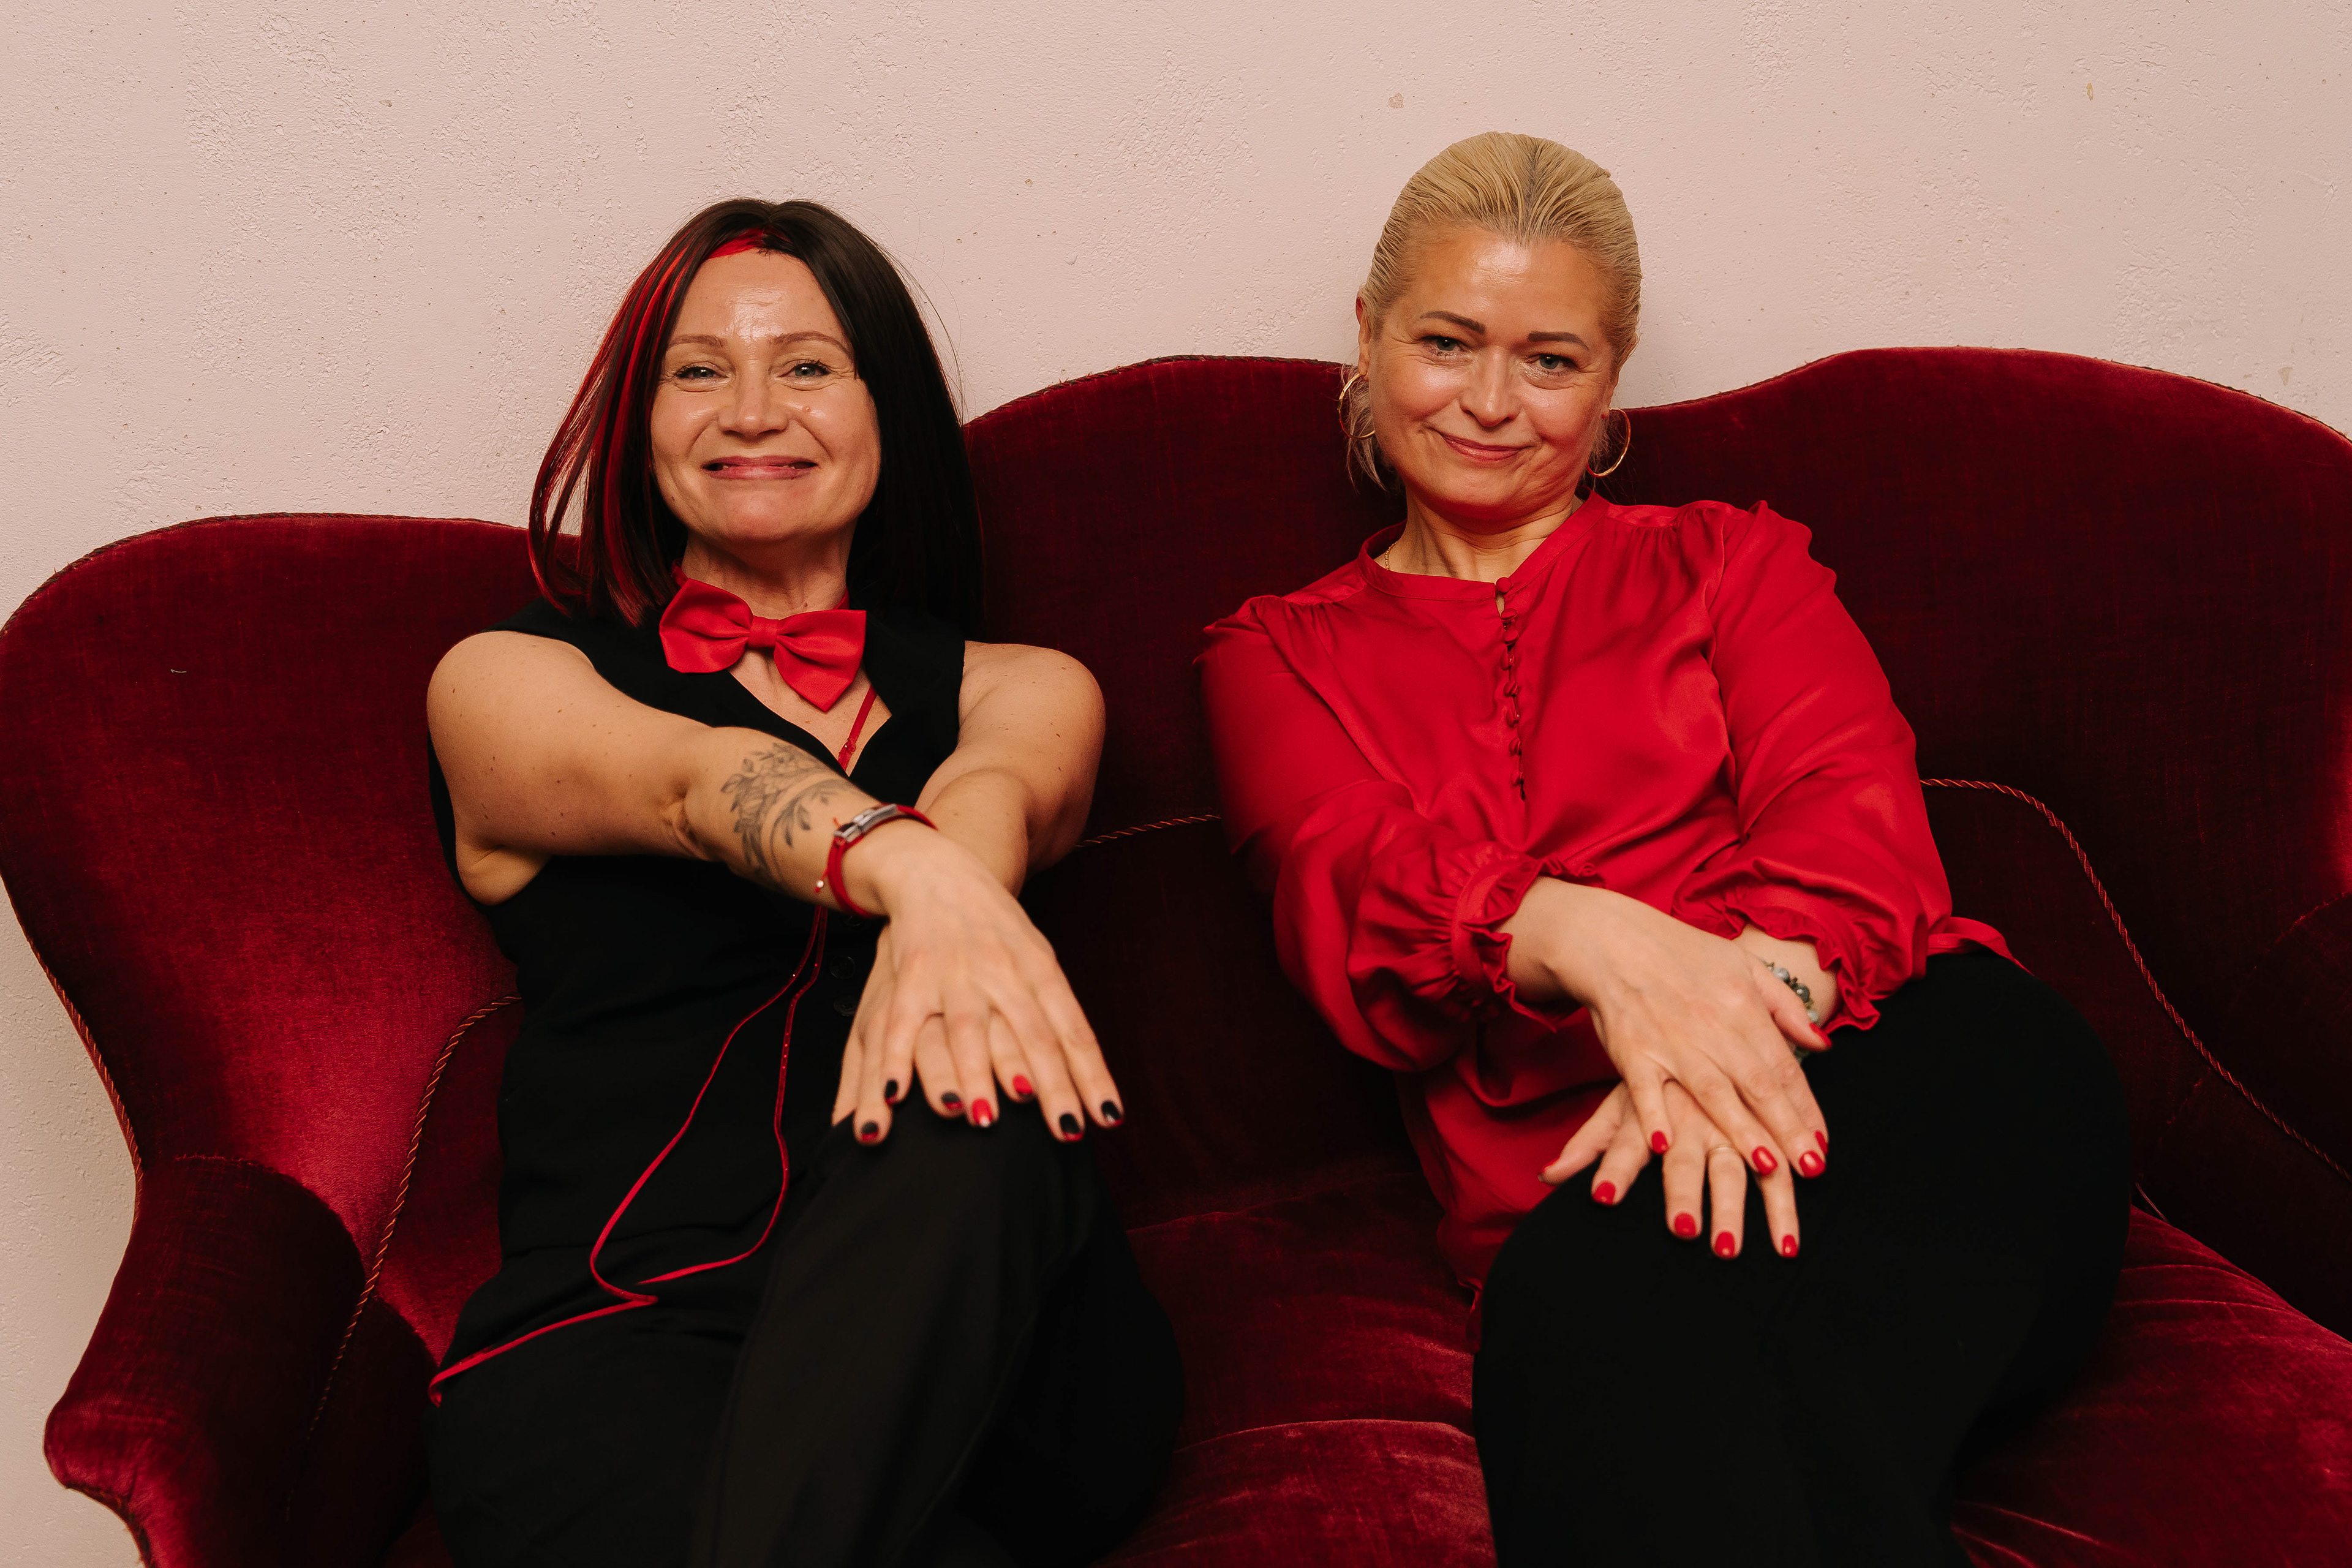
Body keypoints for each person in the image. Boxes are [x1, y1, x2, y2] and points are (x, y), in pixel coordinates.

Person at [1197, 134, 2128, 1567]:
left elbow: (1855, 835)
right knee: (1655, 1369)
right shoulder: (1274, 653)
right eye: (1446, 342)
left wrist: (1696, 1049)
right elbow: (1351, 893)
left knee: (1768, 1349)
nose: (1490, 402)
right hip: (1584, 1201)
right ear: (1368, 333)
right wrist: (1590, 936)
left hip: (1914, 1073)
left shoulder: (1735, 560)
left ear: (1612, 378)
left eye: (1550, 360)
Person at [423, 199, 1181, 1568]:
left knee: (970, 1092)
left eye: (809, 365)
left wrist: (955, 877)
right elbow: (691, 780)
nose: (752, 410)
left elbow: (999, 795)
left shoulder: (1022, 686)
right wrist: (914, 871)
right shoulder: (509, 680)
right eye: (699, 370)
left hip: (1002, 1350)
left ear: (891, 409)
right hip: (631, 1336)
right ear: (639, 423)